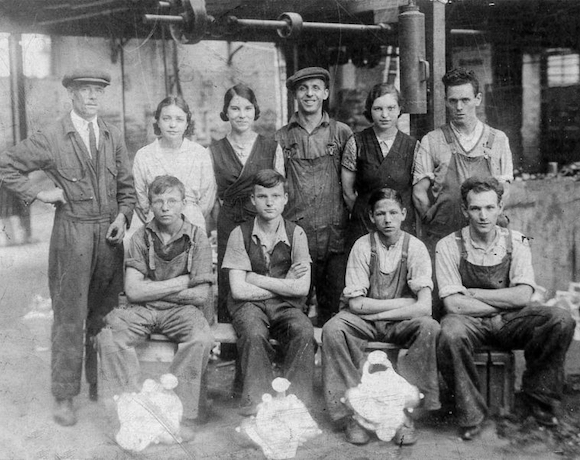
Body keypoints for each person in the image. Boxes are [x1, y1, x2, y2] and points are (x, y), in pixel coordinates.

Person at [0, 68, 135, 426]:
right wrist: (39, 192)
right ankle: (64, 394)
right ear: (71, 94)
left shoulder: (111, 134)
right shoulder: (52, 136)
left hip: (109, 235)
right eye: (85, 90)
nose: (92, 97)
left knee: (105, 314)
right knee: (70, 315)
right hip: (72, 232)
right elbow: (6, 164)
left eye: (97, 91)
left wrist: (124, 215)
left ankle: (99, 384)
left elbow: (127, 186)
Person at [436, 176, 575, 441]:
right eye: (475, 208)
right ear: (465, 210)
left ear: (500, 207)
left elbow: (523, 296)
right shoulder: (448, 245)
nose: (483, 215)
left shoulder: (517, 240)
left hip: (509, 321)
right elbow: (453, 303)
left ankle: (538, 398)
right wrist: (501, 300)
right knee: (449, 332)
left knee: (560, 319)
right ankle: (470, 414)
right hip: (469, 324)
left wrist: (476, 293)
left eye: (489, 207)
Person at [322, 188, 440, 446]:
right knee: (333, 329)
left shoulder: (416, 247)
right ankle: (352, 410)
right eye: (381, 213)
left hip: (400, 323)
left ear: (404, 214)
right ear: (372, 217)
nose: (388, 219)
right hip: (364, 322)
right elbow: (355, 303)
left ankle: (405, 413)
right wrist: (402, 304)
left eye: (393, 213)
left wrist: (385, 312)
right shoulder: (363, 246)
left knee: (429, 327)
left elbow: (424, 308)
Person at [97, 175, 214, 430]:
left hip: (183, 311)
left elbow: (200, 295)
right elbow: (133, 292)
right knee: (109, 338)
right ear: (149, 205)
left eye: (172, 200)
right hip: (142, 310)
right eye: (158, 201)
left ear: (183, 203)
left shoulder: (198, 238)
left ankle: (181, 416)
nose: (165, 207)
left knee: (200, 338)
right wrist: (181, 282)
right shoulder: (140, 237)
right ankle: (129, 412)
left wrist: (150, 289)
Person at [222, 169, 314, 416]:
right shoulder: (238, 234)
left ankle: (296, 406)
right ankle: (256, 405)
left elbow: (302, 288)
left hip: (286, 308)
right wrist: (285, 286)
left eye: (276, 196)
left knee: (303, 330)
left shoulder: (297, 234)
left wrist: (255, 278)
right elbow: (239, 290)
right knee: (253, 333)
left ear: (285, 198)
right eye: (262, 196)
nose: (270, 202)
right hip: (249, 306)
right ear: (253, 200)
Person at [276, 67, 352, 326]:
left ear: (326, 93)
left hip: (334, 235)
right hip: (296, 238)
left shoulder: (342, 133)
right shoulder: (281, 137)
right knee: (294, 312)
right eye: (303, 88)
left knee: (334, 312)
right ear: (296, 95)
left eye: (316, 88)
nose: (310, 94)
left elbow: (351, 186)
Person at [413, 67, 514, 255]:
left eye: (465, 100)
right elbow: (419, 193)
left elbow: (505, 190)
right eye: (453, 101)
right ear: (445, 101)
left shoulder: (498, 140)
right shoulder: (432, 140)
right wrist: (434, 220)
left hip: (486, 238)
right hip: (443, 235)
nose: (459, 107)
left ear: (478, 99)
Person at [209, 84, 284, 324]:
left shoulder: (272, 147)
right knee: (229, 281)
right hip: (229, 223)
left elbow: (279, 191)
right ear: (226, 112)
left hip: (263, 223)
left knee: (262, 276)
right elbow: (211, 198)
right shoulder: (213, 150)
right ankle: (229, 354)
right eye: (235, 108)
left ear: (255, 111)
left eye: (247, 108)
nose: (242, 114)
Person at [342, 84, 418, 249]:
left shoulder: (413, 146)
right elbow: (348, 193)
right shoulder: (356, 142)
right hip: (364, 226)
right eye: (378, 109)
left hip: (400, 227)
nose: (385, 115)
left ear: (399, 109)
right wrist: (366, 216)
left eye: (391, 108)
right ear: (370, 111)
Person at [133, 96, 216, 231]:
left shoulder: (200, 154)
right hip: (156, 224)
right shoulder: (144, 155)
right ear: (158, 122)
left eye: (179, 119)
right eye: (166, 118)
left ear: (187, 123)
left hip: (191, 223)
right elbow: (142, 199)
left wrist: (190, 215)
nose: (172, 125)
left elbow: (207, 198)